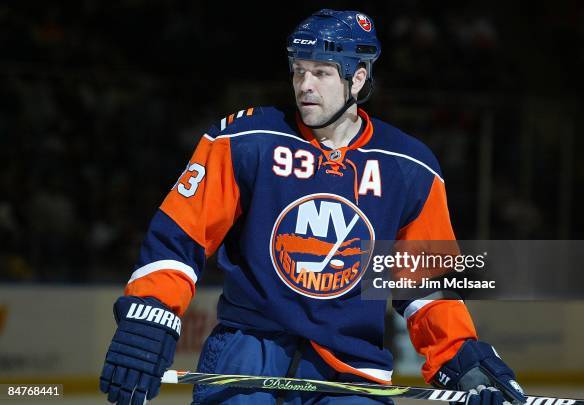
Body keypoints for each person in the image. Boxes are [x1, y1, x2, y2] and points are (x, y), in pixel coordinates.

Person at [100, 9, 526, 405]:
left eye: (321, 73)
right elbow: (180, 236)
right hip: (248, 352)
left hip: (349, 368)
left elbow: (426, 287)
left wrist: (460, 355)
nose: (305, 85)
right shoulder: (247, 139)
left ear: (358, 79)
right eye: (299, 71)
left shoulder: (410, 168)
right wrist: (151, 313)